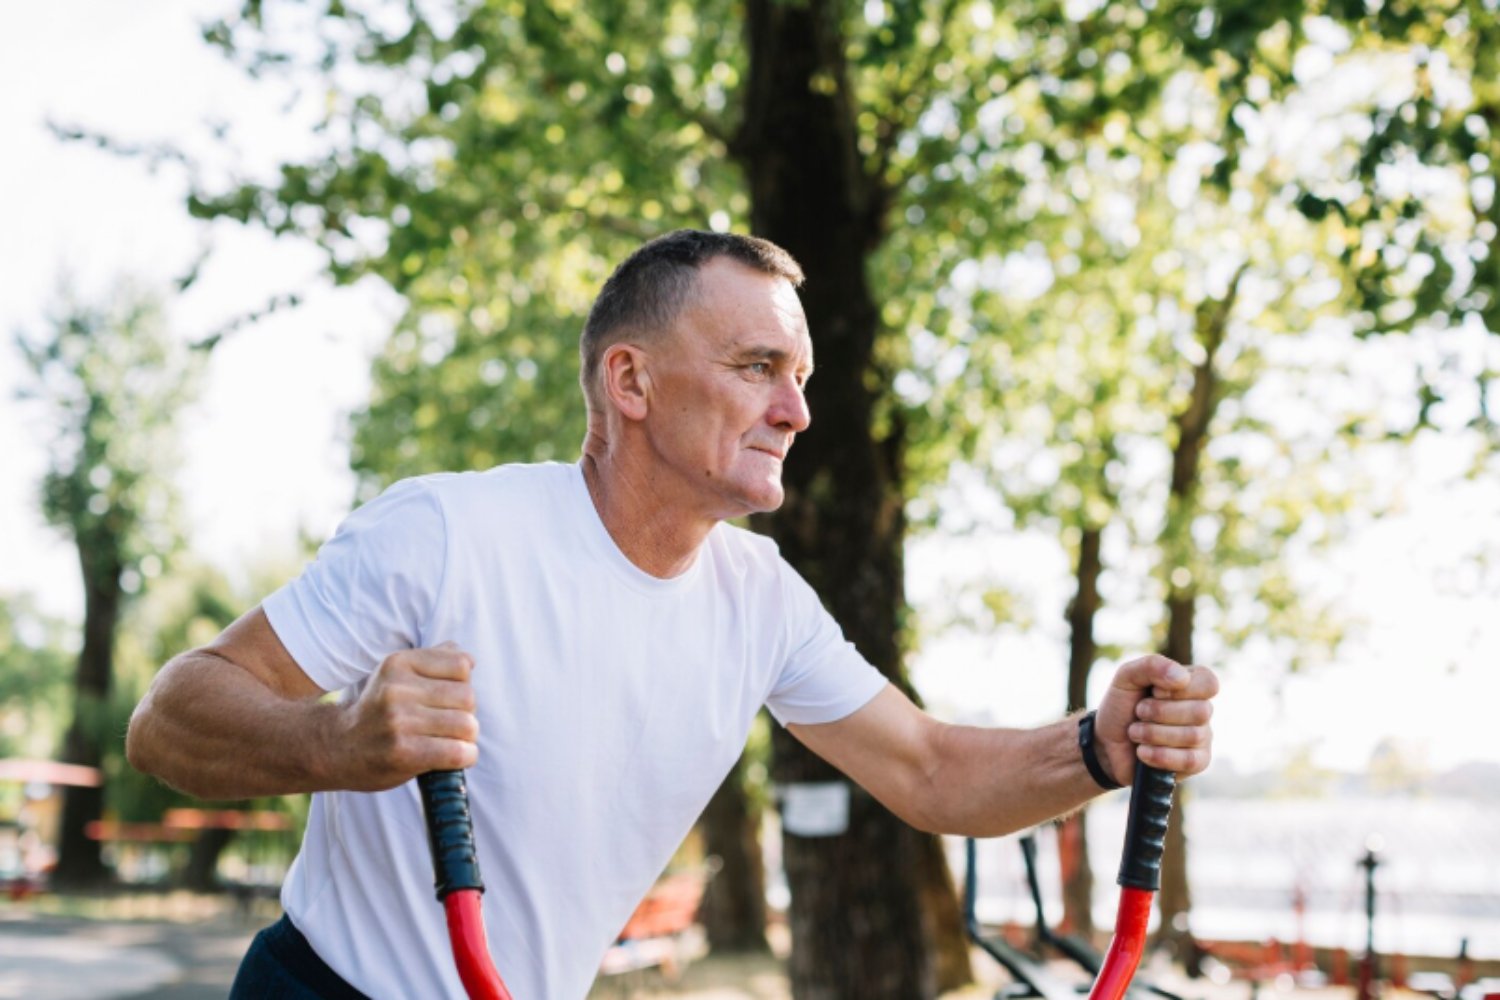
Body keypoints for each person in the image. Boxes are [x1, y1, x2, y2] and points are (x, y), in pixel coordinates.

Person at [126, 229, 1218, 999]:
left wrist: (1097, 746)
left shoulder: (761, 601)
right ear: (631, 383)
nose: (795, 411)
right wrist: (337, 741)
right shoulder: (448, 534)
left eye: (800, 377)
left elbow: (931, 770)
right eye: (756, 368)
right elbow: (170, 720)